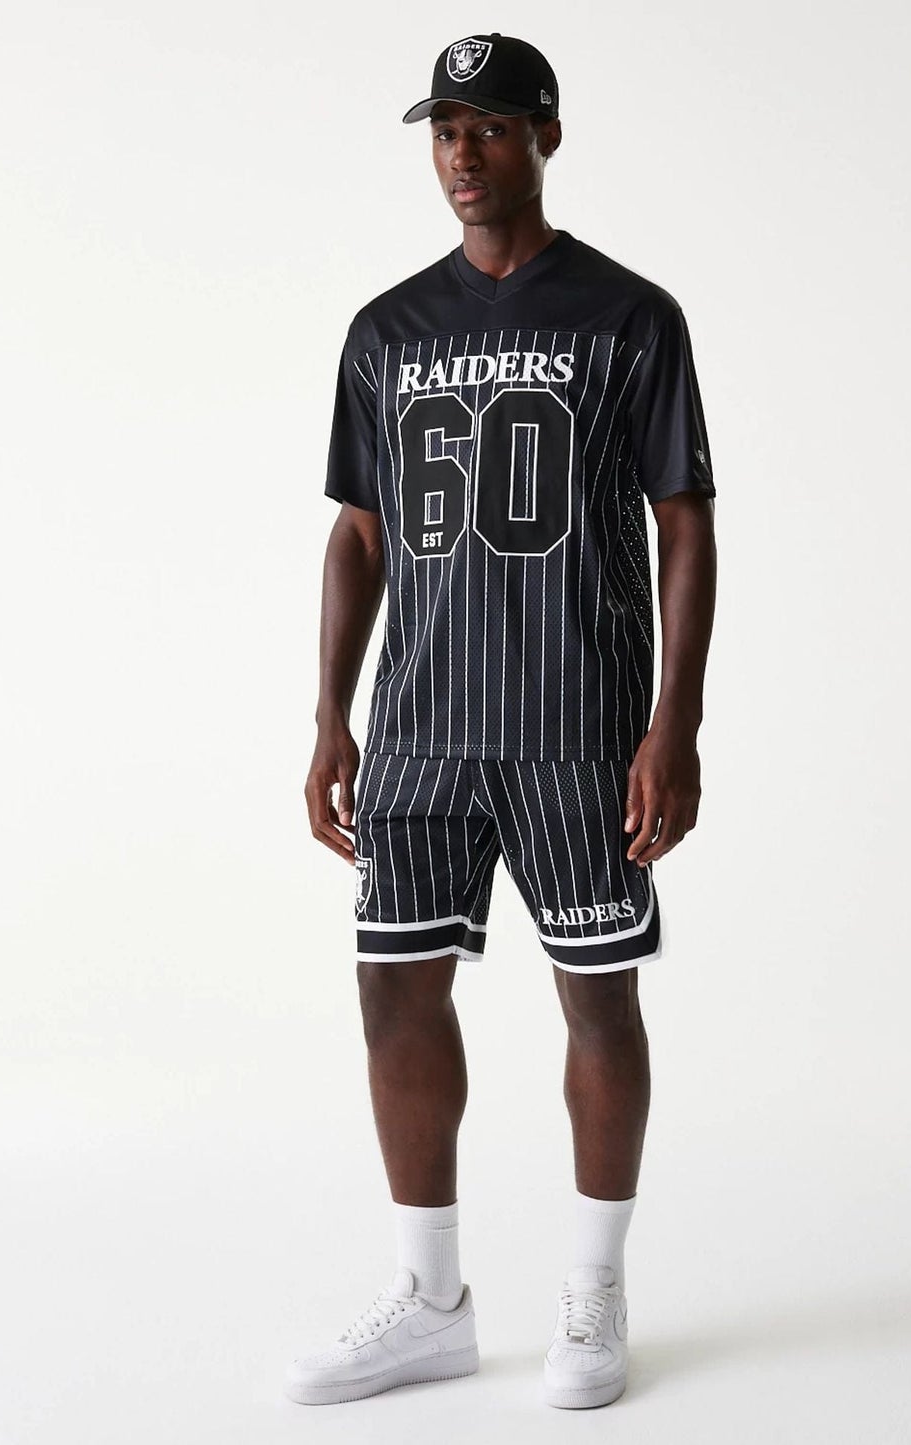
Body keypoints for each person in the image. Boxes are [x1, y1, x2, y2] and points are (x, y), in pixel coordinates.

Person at [288, 31, 718, 1410]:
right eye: (443, 129)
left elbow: (683, 521)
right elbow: (359, 532)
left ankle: (594, 1289)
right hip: (421, 726)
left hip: (577, 725)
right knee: (391, 991)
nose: (461, 153)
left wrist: (673, 722)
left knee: (597, 997)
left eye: (486, 126)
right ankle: (430, 1301)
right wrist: (329, 715)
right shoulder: (386, 329)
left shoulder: (629, 315)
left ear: (545, 134)